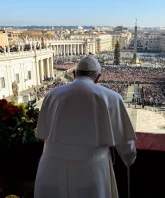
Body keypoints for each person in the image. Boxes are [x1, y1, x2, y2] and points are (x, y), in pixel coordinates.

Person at [34, 56, 137, 198]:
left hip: (51, 167)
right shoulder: (112, 97)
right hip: (91, 170)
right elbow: (125, 143)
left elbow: (42, 133)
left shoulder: (52, 95)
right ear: (98, 77)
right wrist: (129, 159)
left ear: (74, 74)